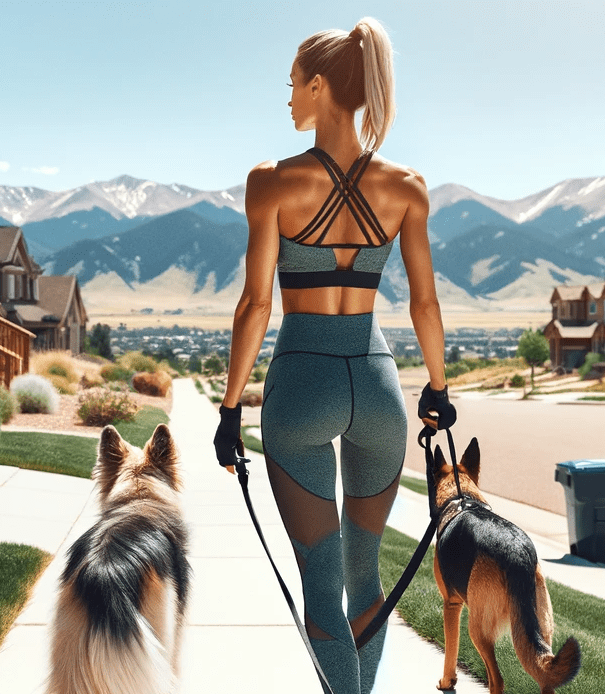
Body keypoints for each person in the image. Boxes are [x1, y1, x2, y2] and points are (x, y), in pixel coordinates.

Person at [213, 17, 455, 694]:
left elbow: (254, 309)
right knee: (365, 572)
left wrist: (230, 409)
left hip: (301, 385)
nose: (288, 97)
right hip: (378, 387)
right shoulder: (407, 186)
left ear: (321, 86)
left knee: (320, 578)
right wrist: (438, 389)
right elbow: (425, 307)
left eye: (293, 84)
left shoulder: (270, 183)